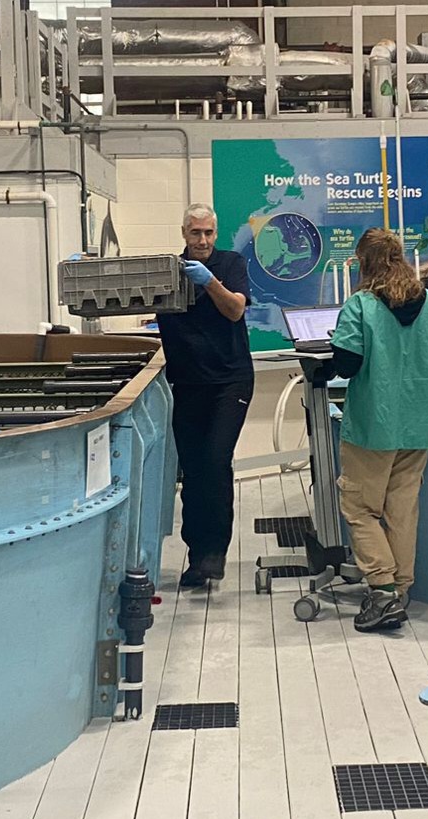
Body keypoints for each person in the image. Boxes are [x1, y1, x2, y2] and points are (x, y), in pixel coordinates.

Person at [331, 229, 428, 632]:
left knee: (359, 507)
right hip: (419, 424)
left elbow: (347, 365)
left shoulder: (361, 306)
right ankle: (400, 590)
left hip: (372, 425)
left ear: (364, 262)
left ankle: (382, 589)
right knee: (402, 509)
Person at [155, 204, 253, 589]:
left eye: (209, 233)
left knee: (215, 460)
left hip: (231, 381)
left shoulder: (230, 265)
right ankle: (197, 558)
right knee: (193, 472)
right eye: (196, 233)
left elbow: (234, 311)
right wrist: (90, 275)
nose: (203, 240)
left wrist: (210, 281)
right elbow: (130, 294)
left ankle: (215, 554)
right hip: (187, 383)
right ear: (184, 234)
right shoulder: (167, 270)